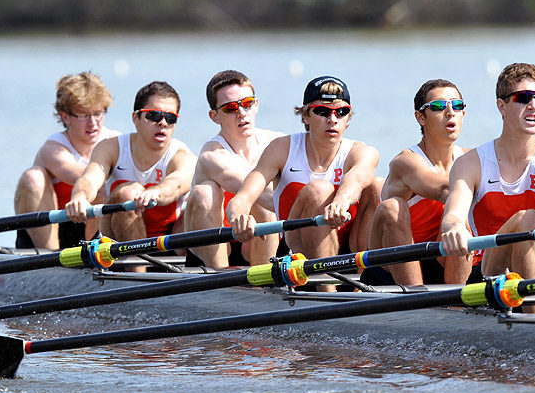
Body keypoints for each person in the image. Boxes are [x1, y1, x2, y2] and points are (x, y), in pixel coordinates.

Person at [440, 62, 535, 310]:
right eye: (524, 98)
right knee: (529, 220)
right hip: (490, 274)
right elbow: (454, 213)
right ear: (501, 106)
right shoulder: (471, 163)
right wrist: (453, 228)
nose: (534, 106)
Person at [227, 75, 380, 274]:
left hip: (346, 247)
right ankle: (327, 292)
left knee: (378, 186)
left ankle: (361, 283)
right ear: (306, 116)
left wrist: (341, 202)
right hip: (296, 254)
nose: (332, 119)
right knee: (319, 189)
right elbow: (242, 197)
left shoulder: (362, 151)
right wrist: (239, 216)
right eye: (322, 111)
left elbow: (357, 178)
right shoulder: (282, 148)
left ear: (347, 118)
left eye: (341, 112)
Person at [366, 78, 472, 285]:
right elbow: (444, 189)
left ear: (463, 114)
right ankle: (416, 297)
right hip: (391, 263)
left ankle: (458, 305)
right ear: (420, 117)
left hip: (442, 258)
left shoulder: (470, 159)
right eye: (439, 106)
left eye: (457, 106)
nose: (450, 112)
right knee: (392, 207)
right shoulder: (406, 161)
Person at [65, 81, 196, 243]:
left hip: (167, 241)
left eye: (170, 117)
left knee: (201, 196)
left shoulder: (183, 156)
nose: (163, 123)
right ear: (136, 118)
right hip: (116, 236)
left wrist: (157, 192)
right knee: (128, 193)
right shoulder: (111, 148)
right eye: (154, 115)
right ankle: (135, 266)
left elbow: (176, 184)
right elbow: (90, 179)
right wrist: (80, 197)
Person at [185, 70, 283, 269]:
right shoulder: (212, 155)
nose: (241, 113)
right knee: (206, 192)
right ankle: (220, 279)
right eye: (230, 108)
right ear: (215, 116)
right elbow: (266, 196)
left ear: (256, 105)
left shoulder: (277, 142)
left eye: (247, 104)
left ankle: (265, 283)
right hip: (215, 246)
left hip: (259, 243)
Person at [13, 71, 118, 250]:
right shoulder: (53, 149)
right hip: (54, 230)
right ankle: (50, 258)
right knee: (33, 177)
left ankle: (97, 250)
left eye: (98, 113)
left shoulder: (115, 141)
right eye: (84, 115)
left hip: (94, 229)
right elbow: (85, 178)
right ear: (65, 116)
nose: (93, 123)